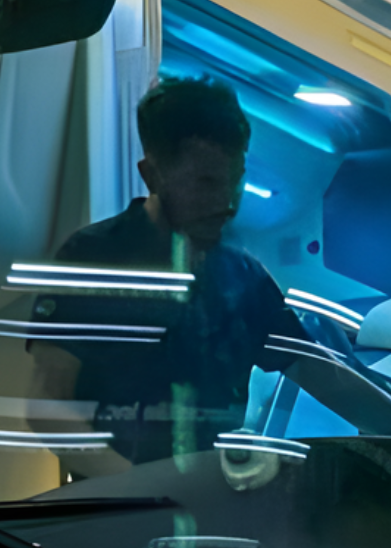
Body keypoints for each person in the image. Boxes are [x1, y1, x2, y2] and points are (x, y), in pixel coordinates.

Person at [38, 75, 302, 465]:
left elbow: (320, 375)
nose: (229, 202)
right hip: (112, 513)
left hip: (214, 500)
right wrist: (134, 495)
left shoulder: (245, 278)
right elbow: (49, 408)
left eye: (236, 181)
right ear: (153, 175)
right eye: (207, 182)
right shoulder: (90, 256)